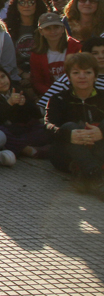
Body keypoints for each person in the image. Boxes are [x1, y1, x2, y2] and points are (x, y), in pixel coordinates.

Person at [43, 52, 104, 194]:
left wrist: (101, 132)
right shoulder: (58, 98)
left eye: (87, 72)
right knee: (69, 127)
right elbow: (47, 126)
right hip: (66, 154)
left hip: (98, 150)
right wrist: (68, 135)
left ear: (95, 76)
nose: (82, 77)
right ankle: (94, 175)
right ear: (69, 77)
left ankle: (86, 176)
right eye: (76, 73)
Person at [30, 11, 80, 97]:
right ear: (41, 31)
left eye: (56, 27)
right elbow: (37, 82)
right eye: (48, 28)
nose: (53, 32)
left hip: (75, 93)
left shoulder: (77, 47)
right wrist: (53, 95)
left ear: (63, 29)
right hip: (50, 96)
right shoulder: (36, 54)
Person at [3, 0, 46, 81]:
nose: (26, 6)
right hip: (14, 76)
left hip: (43, 73)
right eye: (22, 2)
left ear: (37, 4)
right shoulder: (6, 28)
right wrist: (22, 74)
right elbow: (4, 58)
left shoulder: (46, 26)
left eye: (30, 2)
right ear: (16, 5)